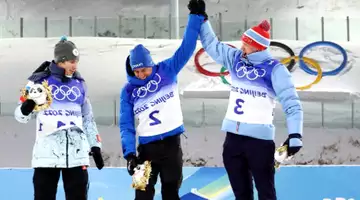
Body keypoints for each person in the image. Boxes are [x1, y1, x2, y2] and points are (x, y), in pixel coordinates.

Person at [198, 4, 304, 200]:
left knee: (266, 194)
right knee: (241, 194)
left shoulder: (276, 69)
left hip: (260, 143)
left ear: (256, 46)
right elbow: (212, 46)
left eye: (245, 43)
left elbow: (291, 103)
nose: (241, 47)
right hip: (233, 140)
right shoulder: (236, 59)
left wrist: (295, 134)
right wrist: (202, 20)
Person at [119, 1, 206, 199]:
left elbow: (187, 47)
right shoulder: (128, 91)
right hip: (146, 150)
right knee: (142, 195)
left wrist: (196, 16)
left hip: (171, 146)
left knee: (171, 193)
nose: (141, 74)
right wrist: (130, 154)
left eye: (145, 69)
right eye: (137, 71)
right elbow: (126, 125)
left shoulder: (167, 70)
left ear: (151, 64)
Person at [14, 36, 104, 200]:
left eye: (76, 61)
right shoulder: (39, 82)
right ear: (60, 61)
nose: (74, 65)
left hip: (76, 156)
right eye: (70, 61)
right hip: (46, 156)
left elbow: (87, 118)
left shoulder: (80, 84)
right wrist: (26, 108)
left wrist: (95, 145)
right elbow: (20, 116)